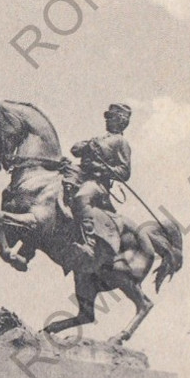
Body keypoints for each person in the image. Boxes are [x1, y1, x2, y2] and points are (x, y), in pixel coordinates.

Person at [66, 103, 132, 262]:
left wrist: (101, 167)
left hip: (98, 184)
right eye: (107, 117)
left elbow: (125, 171)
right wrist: (84, 146)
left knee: (81, 197)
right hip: (80, 175)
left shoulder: (121, 142)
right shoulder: (98, 139)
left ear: (121, 121)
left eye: (111, 117)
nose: (107, 120)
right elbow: (75, 150)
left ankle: (90, 242)